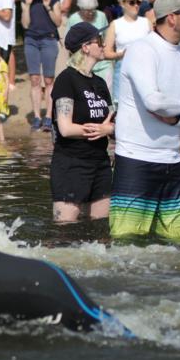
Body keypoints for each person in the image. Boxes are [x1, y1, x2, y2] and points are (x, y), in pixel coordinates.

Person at [109, 0, 180, 242]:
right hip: (136, 159)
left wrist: (177, 117)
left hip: (173, 162)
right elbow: (153, 101)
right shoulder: (141, 49)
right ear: (172, 17)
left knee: (179, 242)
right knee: (127, 242)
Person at [50, 22, 114, 223]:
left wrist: (109, 128)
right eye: (100, 41)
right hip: (71, 164)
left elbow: (111, 122)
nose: (104, 45)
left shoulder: (100, 83)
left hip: (100, 163)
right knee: (66, 230)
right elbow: (65, 128)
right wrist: (101, 129)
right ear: (86, 47)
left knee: (100, 230)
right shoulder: (66, 80)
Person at [21, 0, 62, 133]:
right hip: (31, 40)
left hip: (49, 39)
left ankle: (49, 116)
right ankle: (37, 116)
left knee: (49, 80)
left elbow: (58, 22)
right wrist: (27, 6)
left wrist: (48, 7)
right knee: (35, 79)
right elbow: (25, 24)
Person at [104, 0, 150, 106]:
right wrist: (121, 54)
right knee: (121, 105)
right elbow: (106, 52)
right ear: (122, 4)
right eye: (132, 2)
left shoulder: (146, 22)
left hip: (145, 68)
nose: (136, 6)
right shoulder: (116, 25)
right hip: (123, 67)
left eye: (138, 2)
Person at [68, 0, 112, 90]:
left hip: (102, 65)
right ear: (80, 8)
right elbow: (70, 45)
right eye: (87, 11)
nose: (91, 13)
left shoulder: (101, 16)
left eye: (93, 10)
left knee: (107, 96)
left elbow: (106, 38)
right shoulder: (73, 19)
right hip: (82, 67)